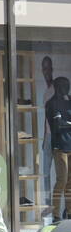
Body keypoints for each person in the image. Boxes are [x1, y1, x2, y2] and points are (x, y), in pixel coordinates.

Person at [46, 76, 71, 219]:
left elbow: (63, 122)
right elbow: (57, 125)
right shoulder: (52, 103)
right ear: (57, 87)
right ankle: (55, 214)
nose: (66, 88)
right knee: (62, 180)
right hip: (60, 146)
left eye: (67, 85)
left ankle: (69, 211)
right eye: (63, 85)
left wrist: (65, 122)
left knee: (70, 182)